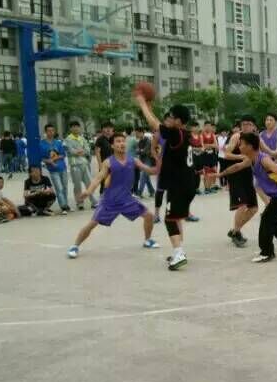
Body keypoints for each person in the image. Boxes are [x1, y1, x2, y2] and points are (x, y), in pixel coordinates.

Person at [67, 133, 160, 258]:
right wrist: (88, 191)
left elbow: (150, 171)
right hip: (109, 201)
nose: (122, 143)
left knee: (149, 216)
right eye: (118, 141)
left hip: (127, 200)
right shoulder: (108, 162)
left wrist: (160, 163)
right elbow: (98, 178)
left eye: (123, 141)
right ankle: (75, 246)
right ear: (112, 145)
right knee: (92, 224)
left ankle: (147, 240)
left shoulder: (133, 160)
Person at [134, 92, 195, 270]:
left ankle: (179, 253)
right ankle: (179, 250)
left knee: (169, 219)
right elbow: (159, 125)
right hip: (188, 183)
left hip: (179, 185)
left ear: (178, 120)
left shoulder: (176, 134)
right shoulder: (185, 133)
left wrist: (142, 104)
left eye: (171, 117)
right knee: (176, 218)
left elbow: (155, 125)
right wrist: (150, 108)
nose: (168, 119)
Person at [217, 132, 277, 263]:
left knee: (267, 219)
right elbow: (237, 166)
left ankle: (267, 252)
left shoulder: (264, 160)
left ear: (250, 146)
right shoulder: (251, 159)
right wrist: (220, 175)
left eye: (241, 144)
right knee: (270, 218)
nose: (239, 146)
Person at [222, 115, 259, 247]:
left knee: (253, 208)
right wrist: (241, 156)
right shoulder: (236, 137)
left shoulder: (255, 138)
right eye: (243, 124)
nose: (246, 126)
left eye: (249, 124)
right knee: (242, 205)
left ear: (254, 126)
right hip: (236, 174)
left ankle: (235, 230)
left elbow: (263, 152)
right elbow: (226, 154)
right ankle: (236, 233)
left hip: (248, 174)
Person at [64, 121, 98, 210]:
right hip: (75, 165)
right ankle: (79, 202)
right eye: (73, 127)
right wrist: (80, 151)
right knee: (77, 185)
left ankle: (94, 201)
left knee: (89, 184)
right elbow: (71, 151)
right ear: (70, 128)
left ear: (79, 128)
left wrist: (78, 151)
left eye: (77, 126)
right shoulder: (67, 139)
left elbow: (87, 150)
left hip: (84, 164)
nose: (75, 128)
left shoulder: (82, 138)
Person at [40, 124, 70, 213]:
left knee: (65, 187)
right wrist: (49, 161)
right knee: (59, 188)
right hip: (53, 169)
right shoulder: (41, 144)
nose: (51, 132)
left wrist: (55, 158)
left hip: (62, 167)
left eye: (52, 130)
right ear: (45, 132)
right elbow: (41, 158)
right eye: (49, 131)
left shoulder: (58, 142)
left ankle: (66, 204)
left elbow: (63, 154)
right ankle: (63, 206)